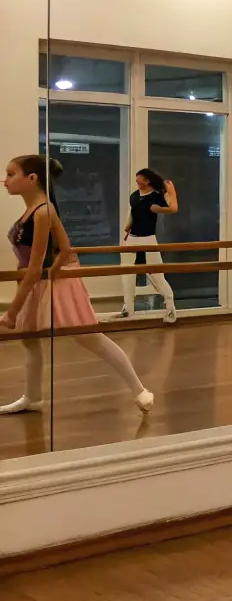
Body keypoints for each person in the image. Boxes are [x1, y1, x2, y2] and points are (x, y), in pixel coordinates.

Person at [0, 155, 154, 414]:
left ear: (32, 178)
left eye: (11, 174)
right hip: (36, 281)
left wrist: (15, 309)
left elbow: (39, 265)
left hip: (51, 281)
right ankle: (33, 396)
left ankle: (140, 389)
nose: (5, 180)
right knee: (30, 340)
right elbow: (63, 248)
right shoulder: (35, 210)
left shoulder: (43, 212)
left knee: (89, 337)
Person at [118, 168, 178, 323]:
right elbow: (133, 213)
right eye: (137, 179)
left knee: (156, 275)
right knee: (127, 273)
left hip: (148, 239)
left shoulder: (156, 197)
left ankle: (170, 308)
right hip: (132, 239)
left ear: (148, 181)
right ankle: (128, 308)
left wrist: (171, 191)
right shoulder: (134, 196)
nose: (138, 182)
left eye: (141, 179)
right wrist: (126, 230)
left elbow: (173, 208)